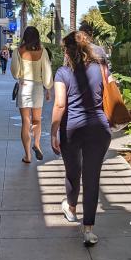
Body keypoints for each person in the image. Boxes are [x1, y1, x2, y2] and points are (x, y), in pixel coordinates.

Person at [51, 31, 112, 247]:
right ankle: (88, 230)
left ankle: (71, 208)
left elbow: (59, 105)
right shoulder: (101, 68)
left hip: (72, 128)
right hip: (99, 127)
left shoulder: (62, 73)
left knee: (73, 171)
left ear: (66, 51)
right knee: (92, 176)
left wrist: (53, 131)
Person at [11, 27, 53, 163]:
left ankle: (27, 156)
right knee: (37, 120)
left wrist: (21, 76)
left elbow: (15, 73)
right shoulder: (43, 52)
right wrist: (48, 88)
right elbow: (47, 72)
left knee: (25, 121)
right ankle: (37, 144)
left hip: (24, 87)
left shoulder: (18, 51)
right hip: (37, 88)